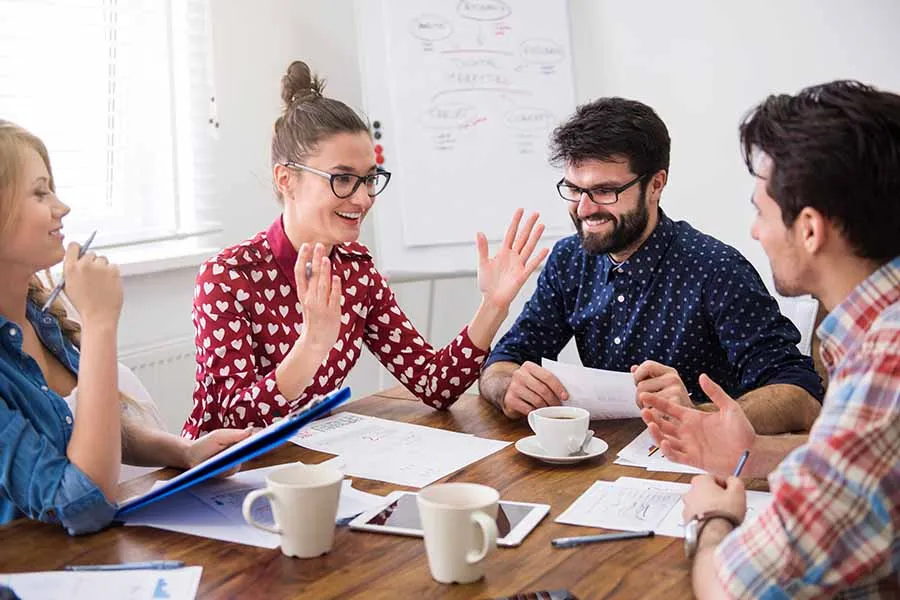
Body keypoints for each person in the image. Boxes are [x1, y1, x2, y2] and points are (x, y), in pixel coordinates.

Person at [182, 61, 547, 438]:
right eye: (343, 179)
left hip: (315, 459)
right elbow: (232, 420)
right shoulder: (227, 277)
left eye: (370, 179)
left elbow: (434, 384)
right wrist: (311, 346)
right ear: (286, 179)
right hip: (226, 469)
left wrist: (493, 306)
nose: (363, 198)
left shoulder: (356, 269)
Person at [643, 81, 900, 598]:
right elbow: (867, 458)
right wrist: (756, 452)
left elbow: (734, 589)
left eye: (761, 211)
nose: (755, 232)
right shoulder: (875, 330)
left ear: (809, 230)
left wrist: (711, 519)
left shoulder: (885, 365)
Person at [479, 97, 823, 434]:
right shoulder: (569, 260)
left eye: (605, 191)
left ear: (656, 185)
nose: (584, 209)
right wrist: (507, 385)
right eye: (574, 189)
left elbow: (801, 396)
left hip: (701, 462)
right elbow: (502, 362)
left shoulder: (716, 269)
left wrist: (699, 417)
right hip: (603, 458)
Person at [0, 121, 251, 535]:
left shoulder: (38, 318)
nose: (62, 208)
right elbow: (84, 504)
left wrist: (186, 452)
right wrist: (100, 322)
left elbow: (92, 432)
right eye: (41, 193)